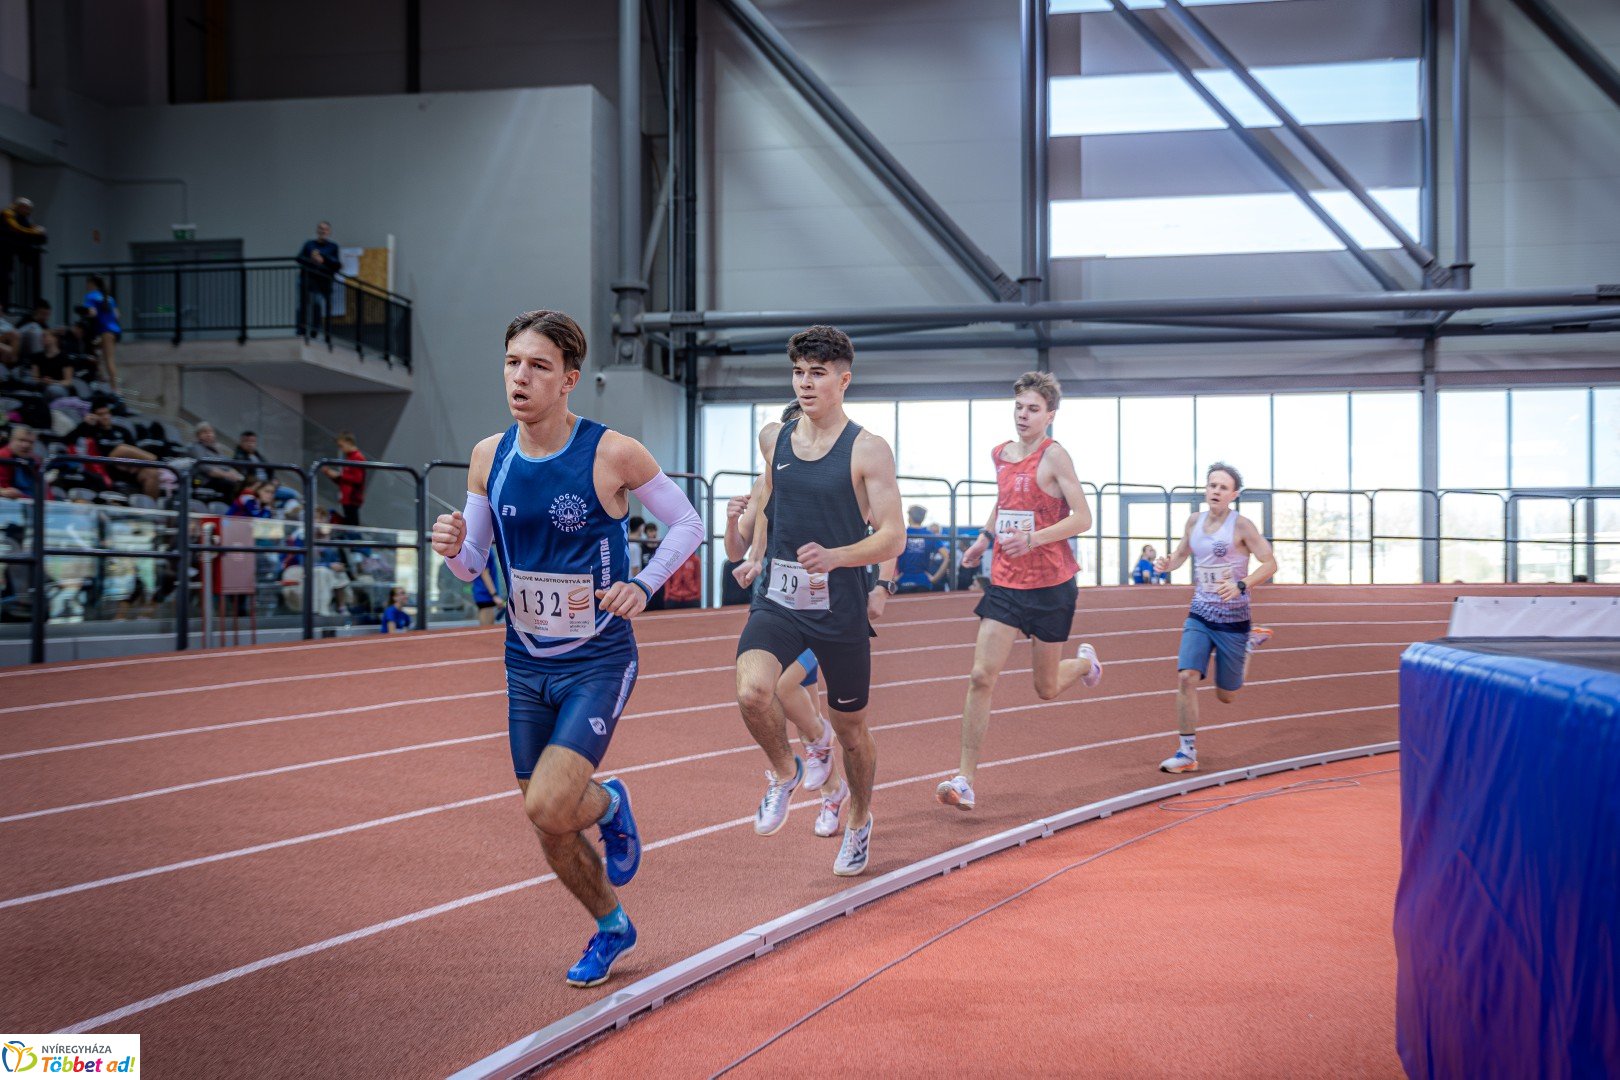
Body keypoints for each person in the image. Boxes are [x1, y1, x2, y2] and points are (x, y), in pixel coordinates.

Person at [431, 309, 703, 988]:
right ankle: (613, 924)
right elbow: (473, 565)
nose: (520, 377)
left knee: (548, 805)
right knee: (550, 822)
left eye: (538, 366)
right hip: (525, 660)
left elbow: (687, 522)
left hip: (598, 657)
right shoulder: (489, 457)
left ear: (568, 380)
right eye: (512, 363)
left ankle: (606, 804)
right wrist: (451, 551)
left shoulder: (613, 452)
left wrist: (644, 582)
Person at [732, 326, 906, 876]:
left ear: (843, 380)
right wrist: (756, 551)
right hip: (779, 599)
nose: (805, 383)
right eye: (799, 372)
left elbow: (893, 536)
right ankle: (784, 772)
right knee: (753, 690)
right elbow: (767, 501)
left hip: (840, 606)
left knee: (850, 730)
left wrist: (840, 557)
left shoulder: (868, 449)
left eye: (818, 373)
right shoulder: (774, 437)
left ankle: (859, 819)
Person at [938, 372, 1103, 812]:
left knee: (1045, 687)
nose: (1023, 416)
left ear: (1050, 415)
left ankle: (1085, 662)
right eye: (1019, 407)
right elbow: (1005, 500)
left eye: (1033, 409)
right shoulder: (1001, 454)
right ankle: (965, 778)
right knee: (980, 676)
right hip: (1008, 583)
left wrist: (1033, 539)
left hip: (1051, 586)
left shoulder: (1056, 457)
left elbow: (1083, 518)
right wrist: (983, 538)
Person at [1153, 462, 1278, 774]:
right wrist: (1167, 563)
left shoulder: (1242, 526)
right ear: (1206, 489)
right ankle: (1186, 752)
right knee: (1186, 677)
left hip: (1233, 620)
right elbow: (1181, 555)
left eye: (1223, 487)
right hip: (1200, 613)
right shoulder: (1194, 520)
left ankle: (1247, 645)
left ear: (1233, 494)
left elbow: (1269, 563)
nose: (1216, 491)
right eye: (1212, 485)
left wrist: (1241, 585)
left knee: (1227, 696)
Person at [1, 198, 46, 310]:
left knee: (7, 280)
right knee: (3, 279)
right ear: (18, 206)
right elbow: (16, 229)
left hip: (8, 257)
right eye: (26, 208)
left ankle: (5, 304)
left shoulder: (23, 219)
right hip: (2, 255)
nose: (28, 211)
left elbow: (35, 233)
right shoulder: (8, 214)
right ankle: (4, 305)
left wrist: (38, 232)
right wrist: (35, 231)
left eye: (29, 209)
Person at [297, 220, 341, 334]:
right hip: (309, 280)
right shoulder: (309, 244)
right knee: (304, 305)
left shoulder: (333, 247)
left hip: (324, 281)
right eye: (321, 229)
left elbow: (336, 264)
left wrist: (323, 258)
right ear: (317, 231)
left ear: (329, 232)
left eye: (325, 229)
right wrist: (311, 258)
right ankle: (302, 329)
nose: (323, 231)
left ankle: (317, 331)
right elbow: (299, 258)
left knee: (319, 305)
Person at [82, 275, 122, 391]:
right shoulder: (109, 298)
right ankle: (100, 375)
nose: (86, 286)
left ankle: (115, 388)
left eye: (87, 284)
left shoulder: (90, 296)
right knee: (94, 349)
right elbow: (117, 315)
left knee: (109, 358)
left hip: (105, 331)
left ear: (91, 283)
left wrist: (85, 313)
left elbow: (92, 313)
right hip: (115, 331)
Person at [321, 432, 367, 525]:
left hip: (352, 498)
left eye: (341, 446)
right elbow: (346, 481)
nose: (341, 449)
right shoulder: (351, 457)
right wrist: (332, 475)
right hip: (348, 498)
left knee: (352, 526)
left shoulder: (357, 457)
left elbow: (357, 479)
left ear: (349, 442)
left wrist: (338, 475)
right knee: (350, 525)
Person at [0, 425, 41, 500]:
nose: (26, 445)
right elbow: (4, 491)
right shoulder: (2, 457)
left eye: (31, 442)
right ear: (11, 440)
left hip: (33, 503)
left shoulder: (36, 460)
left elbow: (44, 490)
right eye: (21, 440)